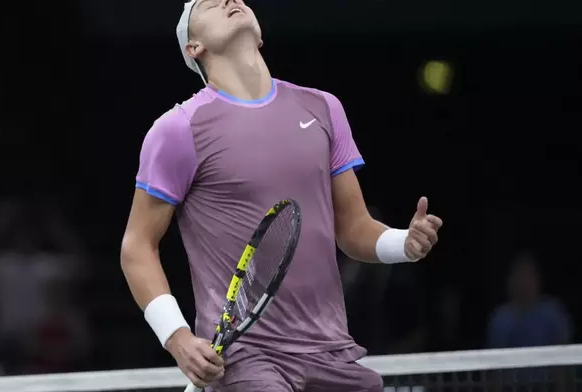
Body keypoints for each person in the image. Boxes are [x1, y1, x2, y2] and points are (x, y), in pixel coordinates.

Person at [120, 1, 443, 391]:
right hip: (247, 358)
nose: (230, 0)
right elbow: (137, 246)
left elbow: (353, 228)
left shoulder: (323, 108)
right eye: (209, 2)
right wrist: (177, 337)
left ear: (259, 34)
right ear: (194, 47)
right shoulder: (177, 130)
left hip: (330, 350)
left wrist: (402, 244)